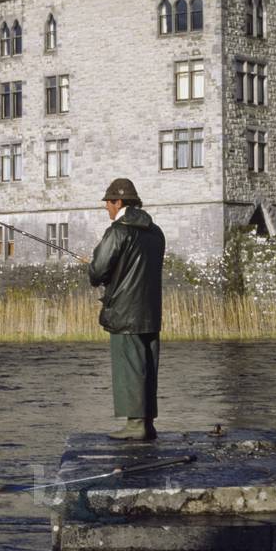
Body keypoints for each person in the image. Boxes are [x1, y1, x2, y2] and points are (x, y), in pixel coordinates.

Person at [87, 179, 165, 441]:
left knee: (129, 367)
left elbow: (98, 270)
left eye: (108, 203)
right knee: (148, 366)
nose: (107, 209)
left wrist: (94, 267)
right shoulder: (156, 232)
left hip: (125, 311)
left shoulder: (118, 231)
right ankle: (147, 423)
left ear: (118, 202)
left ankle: (135, 425)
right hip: (150, 311)